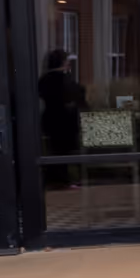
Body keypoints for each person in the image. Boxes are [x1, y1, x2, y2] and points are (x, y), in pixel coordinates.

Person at [38, 50, 86, 189]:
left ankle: (57, 178)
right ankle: (68, 179)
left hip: (50, 120)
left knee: (55, 149)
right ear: (62, 62)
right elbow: (78, 95)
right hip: (66, 120)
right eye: (66, 61)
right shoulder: (65, 80)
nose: (69, 63)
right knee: (69, 150)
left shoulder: (44, 80)